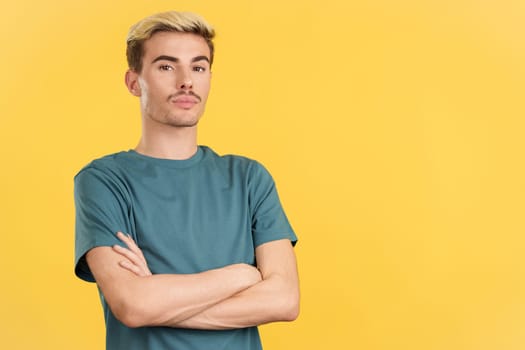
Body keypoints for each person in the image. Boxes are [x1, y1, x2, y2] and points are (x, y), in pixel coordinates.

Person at [73, 10, 299, 350]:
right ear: (134, 82)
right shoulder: (104, 181)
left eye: (198, 67)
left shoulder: (249, 178)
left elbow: (284, 300)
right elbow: (132, 305)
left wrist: (159, 299)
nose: (186, 81)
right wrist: (241, 275)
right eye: (166, 66)